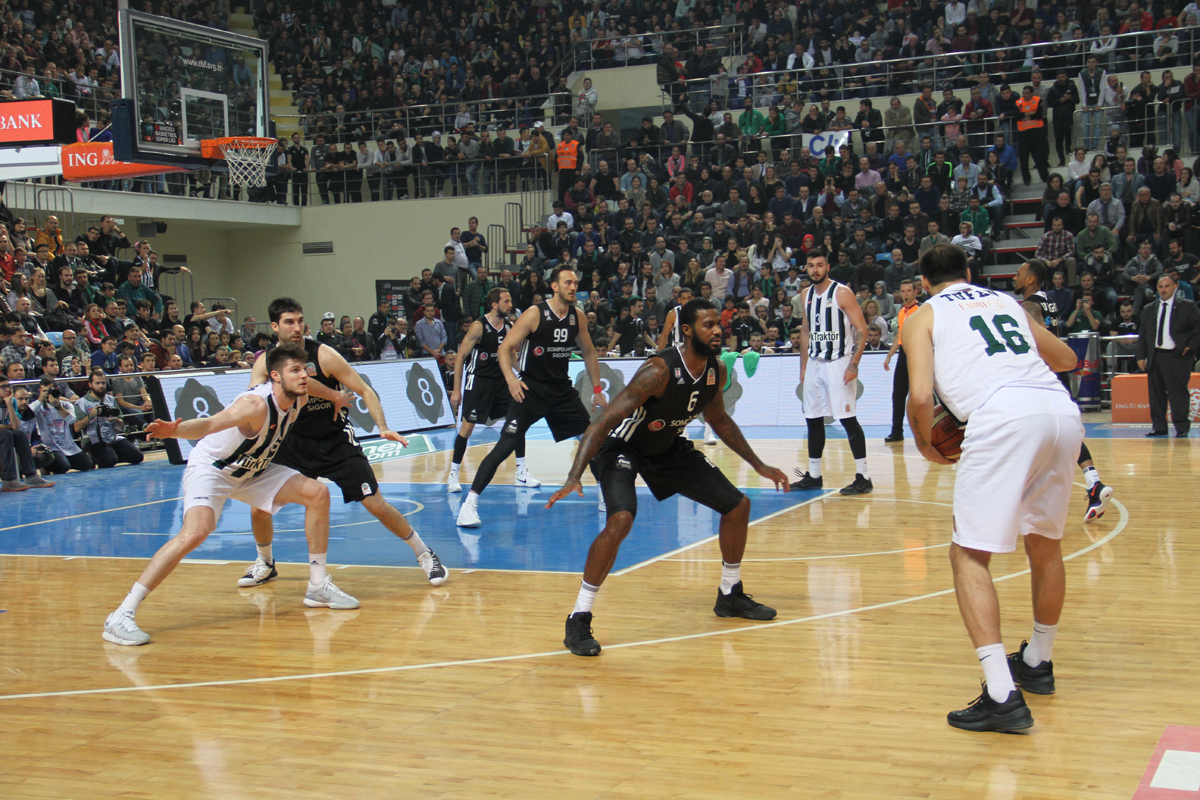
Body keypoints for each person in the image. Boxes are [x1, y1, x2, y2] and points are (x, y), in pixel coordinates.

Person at [905, 242, 1083, 732]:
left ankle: (1002, 695)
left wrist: (925, 443)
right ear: (969, 272)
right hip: (1060, 415)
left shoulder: (922, 316)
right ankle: (1038, 662)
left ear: (924, 282)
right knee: (1045, 543)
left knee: (968, 554)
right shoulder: (1004, 301)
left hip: (1002, 417)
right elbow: (1067, 359)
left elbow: (921, 395)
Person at [546, 299, 789, 656]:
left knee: (738, 506)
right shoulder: (658, 371)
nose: (718, 330)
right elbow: (602, 421)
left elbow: (719, 420)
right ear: (688, 331)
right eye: (708, 325)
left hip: (667, 447)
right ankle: (578, 617)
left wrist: (759, 465)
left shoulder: (716, 371)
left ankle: (729, 595)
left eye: (718, 323)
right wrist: (574, 475)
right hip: (623, 448)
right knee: (621, 518)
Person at [100, 344, 354, 646]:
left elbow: (314, 385)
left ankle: (317, 586)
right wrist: (173, 432)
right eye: (295, 370)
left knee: (317, 493)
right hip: (213, 470)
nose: (304, 376)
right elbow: (209, 424)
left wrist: (337, 395)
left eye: (305, 369)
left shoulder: (299, 395)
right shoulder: (254, 405)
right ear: (275, 376)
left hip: (251, 470)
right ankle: (121, 615)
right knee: (196, 531)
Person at [236, 299, 447, 588]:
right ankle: (265, 562)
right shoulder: (265, 362)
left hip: (333, 441)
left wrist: (382, 426)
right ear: (274, 327)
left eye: (299, 320)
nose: (297, 327)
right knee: (259, 506)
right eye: (289, 322)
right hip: (290, 444)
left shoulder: (322, 354)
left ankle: (425, 554)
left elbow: (364, 389)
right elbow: (255, 400)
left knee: (375, 503)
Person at [456, 267, 607, 528]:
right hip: (532, 390)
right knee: (504, 447)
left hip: (562, 391)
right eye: (568, 282)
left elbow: (589, 352)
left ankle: (606, 495)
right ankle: (469, 505)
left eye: (575, 283)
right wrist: (512, 380)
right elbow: (505, 349)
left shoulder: (577, 317)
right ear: (555, 287)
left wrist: (597, 390)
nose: (573, 287)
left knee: (592, 442)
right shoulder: (535, 314)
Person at [1016, 259, 1114, 521]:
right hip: (1056, 372)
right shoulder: (1048, 300)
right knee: (1062, 431)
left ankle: (1023, 493)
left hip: (1042, 375)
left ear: (1030, 280)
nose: (1015, 276)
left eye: (1019, 273)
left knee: (1032, 430)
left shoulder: (1029, 305)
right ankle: (1094, 483)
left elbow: (1038, 338)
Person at [790, 248, 873, 495]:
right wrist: (803, 364)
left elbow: (861, 329)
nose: (815, 269)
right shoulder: (805, 295)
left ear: (827, 267)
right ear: (806, 268)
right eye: (811, 265)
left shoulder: (842, 293)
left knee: (848, 419)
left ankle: (864, 477)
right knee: (813, 419)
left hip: (839, 361)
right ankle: (814, 475)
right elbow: (805, 331)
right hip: (815, 363)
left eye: (819, 265)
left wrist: (854, 363)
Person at [447, 287, 540, 492]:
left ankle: (521, 472)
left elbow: (512, 357)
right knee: (467, 428)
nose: (510, 305)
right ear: (494, 304)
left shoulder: (509, 327)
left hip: (501, 381)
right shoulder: (479, 326)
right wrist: (456, 390)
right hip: (479, 381)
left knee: (518, 421)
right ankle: (453, 474)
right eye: (506, 301)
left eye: (510, 301)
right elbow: (460, 357)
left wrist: (527, 375)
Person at [1138, 275, 1200, 437]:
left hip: (1177, 356)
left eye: (1167, 286)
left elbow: (1198, 327)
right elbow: (1143, 334)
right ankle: (1159, 427)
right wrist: (1140, 356)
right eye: (1160, 287)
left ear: (1175, 286)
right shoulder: (1149, 308)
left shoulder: (1187, 306)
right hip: (1155, 356)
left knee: (1177, 393)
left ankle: (1182, 428)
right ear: (1157, 288)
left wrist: (1190, 346)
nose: (1163, 290)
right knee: (1156, 394)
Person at [74, 369, 145, 469]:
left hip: (112, 437)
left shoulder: (111, 400)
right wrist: (91, 415)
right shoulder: (82, 402)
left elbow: (120, 423)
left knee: (138, 457)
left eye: (103, 383)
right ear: (90, 384)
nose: (101, 386)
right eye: (97, 383)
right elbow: (77, 428)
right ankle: (97, 457)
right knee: (110, 461)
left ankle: (108, 455)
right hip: (93, 439)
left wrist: (115, 420)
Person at [0, 375, 55, 490]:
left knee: (19, 433)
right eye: (3, 386)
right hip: (4, 435)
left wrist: (9, 404)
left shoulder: (11, 401)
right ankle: (8, 480)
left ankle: (31, 476)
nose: (7, 389)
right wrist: (7, 427)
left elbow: (15, 425)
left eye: (8, 386)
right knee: (6, 434)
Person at [883, 280, 921, 442]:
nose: (905, 294)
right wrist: (890, 355)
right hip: (903, 354)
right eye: (903, 291)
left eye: (908, 291)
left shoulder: (920, 310)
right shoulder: (901, 312)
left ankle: (929, 431)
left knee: (922, 395)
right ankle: (897, 431)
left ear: (915, 292)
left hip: (918, 354)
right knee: (898, 394)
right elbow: (899, 336)